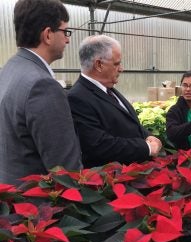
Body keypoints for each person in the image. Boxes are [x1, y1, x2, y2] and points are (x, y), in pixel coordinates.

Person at [0, 0, 82, 185]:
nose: (68, 39)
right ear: (48, 35)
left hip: (11, 196)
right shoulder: (42, 85)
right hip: (37, 207)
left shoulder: (9, 69)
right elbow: (65, 170)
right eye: (65, 31)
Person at [68, 35, 162, 168]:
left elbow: (128, 123)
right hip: (114, 179)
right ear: (99, 65)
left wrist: (148, 136)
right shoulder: (78, 98)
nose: (121, 68)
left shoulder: (107, 88)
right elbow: (98, 145)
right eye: (116, 64)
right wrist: (146, 147)